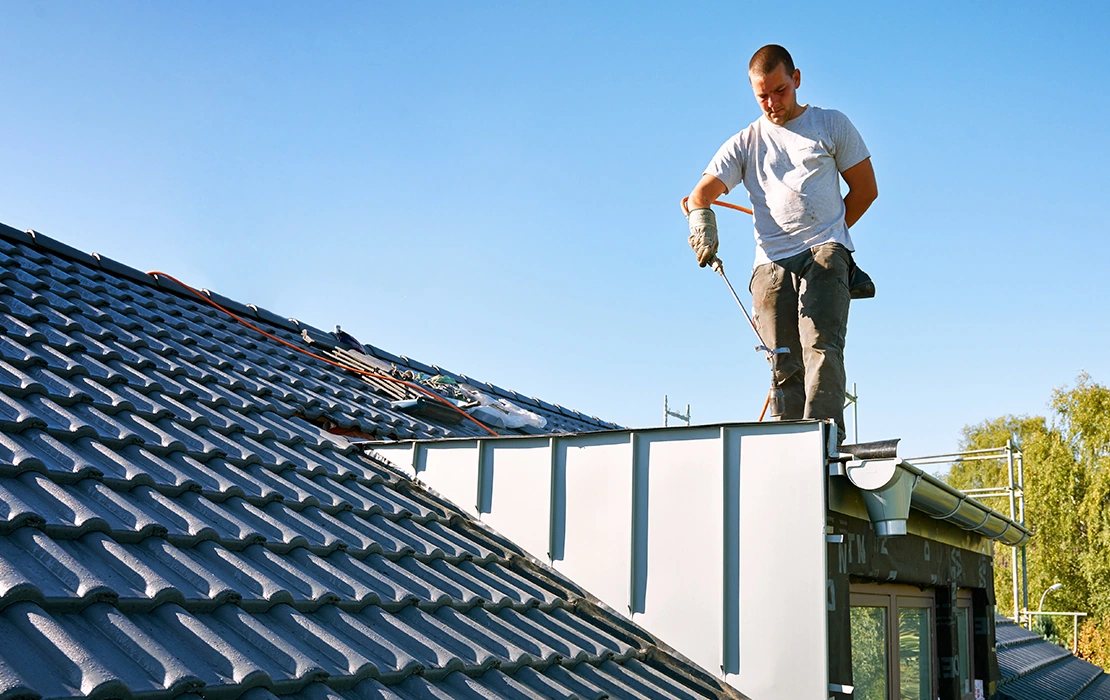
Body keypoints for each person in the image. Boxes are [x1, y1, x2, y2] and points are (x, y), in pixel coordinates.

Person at [686, 44, 877, 442]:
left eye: (780, 91)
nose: (772, 103)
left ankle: (823, 444)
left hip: (824, 251)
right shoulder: (745, 142)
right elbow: (700, 194)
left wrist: (833, 238)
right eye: (763, 95)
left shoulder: (830, 125)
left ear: (797, 80)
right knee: (782, 361)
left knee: (820, 347)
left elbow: (865, 189)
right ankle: (787, 446)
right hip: (771, 263)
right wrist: (701, 221)